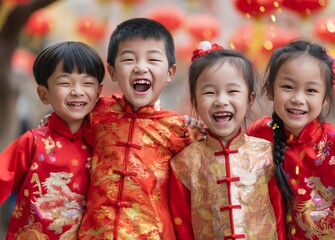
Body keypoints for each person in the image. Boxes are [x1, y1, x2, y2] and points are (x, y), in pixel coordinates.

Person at [77, 18, 193, 239]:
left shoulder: (179, 129)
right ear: (111, 71)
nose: (141, 67)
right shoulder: (95, 112)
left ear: (170, 72)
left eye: (153, 59)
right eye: (129, 59)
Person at [246, 39, 335, 239]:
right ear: (269, 90)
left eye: (311, 90)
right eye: (288, 87)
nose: (298, 98)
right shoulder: (260, 133)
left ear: (325, 98)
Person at [169, 41, 286, 239]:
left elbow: (280, 216)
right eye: (209, 92)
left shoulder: (266, 154)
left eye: (232, 91)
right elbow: (182, 226)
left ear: (249, 99)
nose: (221, 100)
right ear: (195, 102)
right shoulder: (183, 164)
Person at [0, 41, 105, 239]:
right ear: (44, 94)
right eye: (65, 83)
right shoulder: (32, 142)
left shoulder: (104, 145)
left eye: (87, 83)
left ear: (99, 92)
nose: (77, 91)